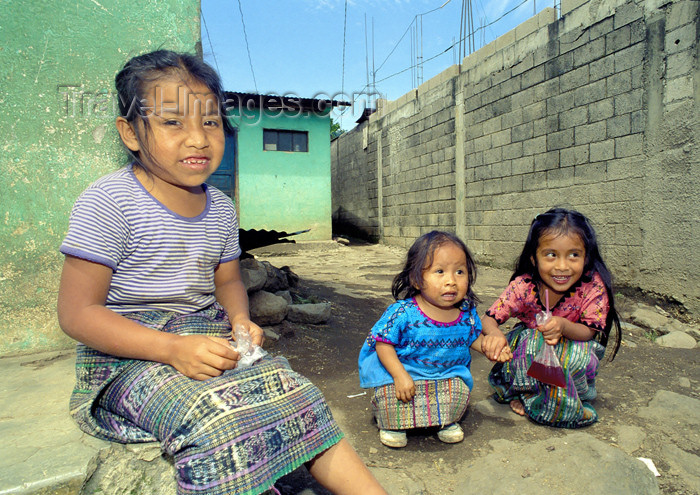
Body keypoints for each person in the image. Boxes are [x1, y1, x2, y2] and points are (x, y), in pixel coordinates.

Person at [57, 49, 386, 495]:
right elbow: (77, 314)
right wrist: (172, 348)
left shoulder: (220, 210)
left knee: (298, 394)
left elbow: (228, 280)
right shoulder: (108, 202)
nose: (198, 138)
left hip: (204, 334)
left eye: (210, 122)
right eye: (173, 122)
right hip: (127, 352)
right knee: (217, 416)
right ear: (131, 133)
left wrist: (238, 320)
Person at [357, 231, 511, 448]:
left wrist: (490, 349)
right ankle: (393, 424)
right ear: (416, 279)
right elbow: (383, 343)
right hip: (405, 373)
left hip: (445, 375)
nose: (451, 281)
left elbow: (471, 338)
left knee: (458, 390)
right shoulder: (403, 312)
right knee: (391, 393)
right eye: (439, 271)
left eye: (459, 272)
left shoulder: (466, 312)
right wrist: (400, 375)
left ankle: (445, 422)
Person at [484, 208, 622, 428]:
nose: (562, 266)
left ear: (586, 257)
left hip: (573, 349)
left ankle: (558, 400)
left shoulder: (592, 286)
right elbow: (489, 319)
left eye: (574, 255)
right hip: (529, 356)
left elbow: (589, 332)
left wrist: (564, 326)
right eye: (551, 254)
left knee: (578, 354)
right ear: (534, 257)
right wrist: (494, 335)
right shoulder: (523, 286)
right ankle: (530, 394)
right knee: (531, 341)